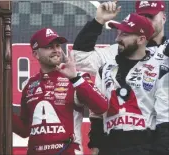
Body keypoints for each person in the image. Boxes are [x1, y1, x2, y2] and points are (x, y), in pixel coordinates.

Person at [71, 1, 169, 154]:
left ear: (164, 17)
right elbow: (79, 58)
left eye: (150, 16)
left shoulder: (166, 54)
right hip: (114, 141)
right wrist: (98, 21)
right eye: (141, 16)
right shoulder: (116, 51)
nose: (146, 20)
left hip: (152, 141)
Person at [12, 28, 108, 155]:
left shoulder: (77, 77)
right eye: (49, 46)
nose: (56, 50)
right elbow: (24, 131)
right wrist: (2, 111)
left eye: (57, 46)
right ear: (36, 54)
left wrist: (75, 79)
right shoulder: (29, 85)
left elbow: (101, 107)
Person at [96, 12, 169, 155]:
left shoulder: (159, 69)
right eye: (118, 33)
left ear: (141, 39)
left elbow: (165, 117)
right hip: (109, 146)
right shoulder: (105, 68)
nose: (117, 39)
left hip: (144, 145)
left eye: (124, 34)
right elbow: (96, 112)